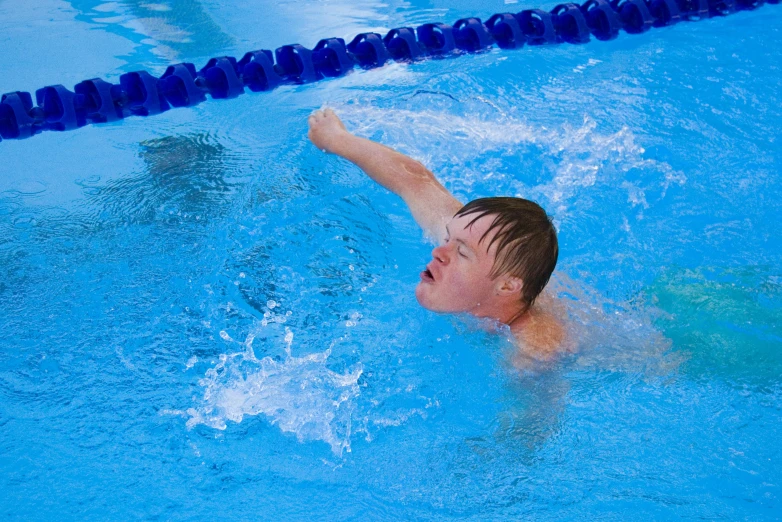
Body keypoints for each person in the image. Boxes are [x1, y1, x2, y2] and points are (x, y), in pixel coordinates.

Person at [308, 108, 565, 360]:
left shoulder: (535, 350)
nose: (438, 252)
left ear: (507, 285)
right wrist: (337, 139)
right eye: (446, 238)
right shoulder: (478, 241)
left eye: (462, 252)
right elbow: (415, 181)